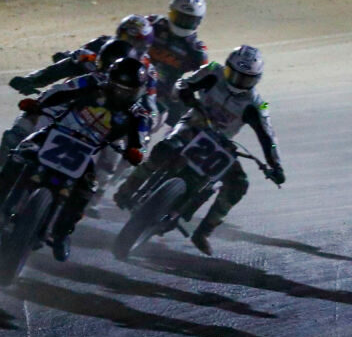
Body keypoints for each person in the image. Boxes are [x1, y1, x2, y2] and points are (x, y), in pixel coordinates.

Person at [0, 58, 151, 260]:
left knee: (87, 189)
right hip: (55, 133)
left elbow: (141, 138)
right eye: (118, 88)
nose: (121, 95)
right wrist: (38, 103)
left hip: (86, 151)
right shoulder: (91, 82)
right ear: (110, 81)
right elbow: (60, 91)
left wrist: (136, 151)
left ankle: (61, 234)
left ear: (139, 90)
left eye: (128, 91)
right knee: (18, 156)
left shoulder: (139, 114)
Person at [120, 45, 285, 253]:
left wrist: (275, 166)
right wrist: (189, 98)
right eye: (233, 74)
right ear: (226, 68)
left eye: (245, 79)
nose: (236, 81)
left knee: (239, 184)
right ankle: (127, 189)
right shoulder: (213, 70)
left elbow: (268, 136)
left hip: (221, 143)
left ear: (255, 80)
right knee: (164, 149)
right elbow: (182, 84)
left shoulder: (257, 105)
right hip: (194, 123)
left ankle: (204, 231)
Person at [8, 15, 154, 95]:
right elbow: (74, 57)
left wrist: (147, 120)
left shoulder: (148, 69)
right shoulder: (102, 42)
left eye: (135, 42)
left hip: (113, 114)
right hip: (76, 93)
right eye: (126, 38)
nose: (128, 45)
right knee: (26, 119)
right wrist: (70, 56)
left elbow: (152, 107)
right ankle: (33, 80)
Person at [147, 0, 212, 122]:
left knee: (186, 119)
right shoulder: (152, 25)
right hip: (136, 79)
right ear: (171, 12)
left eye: (189, 20)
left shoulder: (197, 52)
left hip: (164, 98)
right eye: (180, 17)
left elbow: (205, 84)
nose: (183, 23)